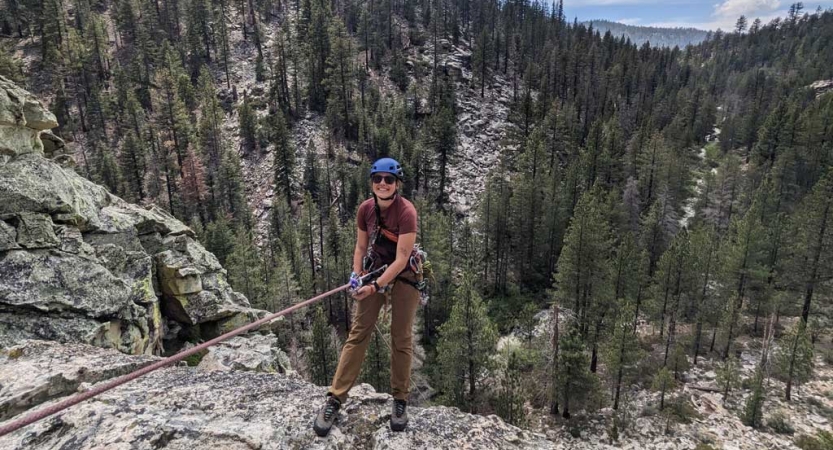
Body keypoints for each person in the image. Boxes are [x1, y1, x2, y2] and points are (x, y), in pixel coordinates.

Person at [313, 157, 420, 437]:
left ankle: (400, 400)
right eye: (377, 179)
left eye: (388, 179)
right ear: (372, 183)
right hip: (374, 270)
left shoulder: (406, 211)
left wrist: (374, 287)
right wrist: (356, 274)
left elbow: (401, 259)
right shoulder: (366, 210)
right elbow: (361, 246)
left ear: (397, 184)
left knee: (401, 337)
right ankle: (335, 398)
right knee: (359, 333)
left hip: (404, 274)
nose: (382, 184)